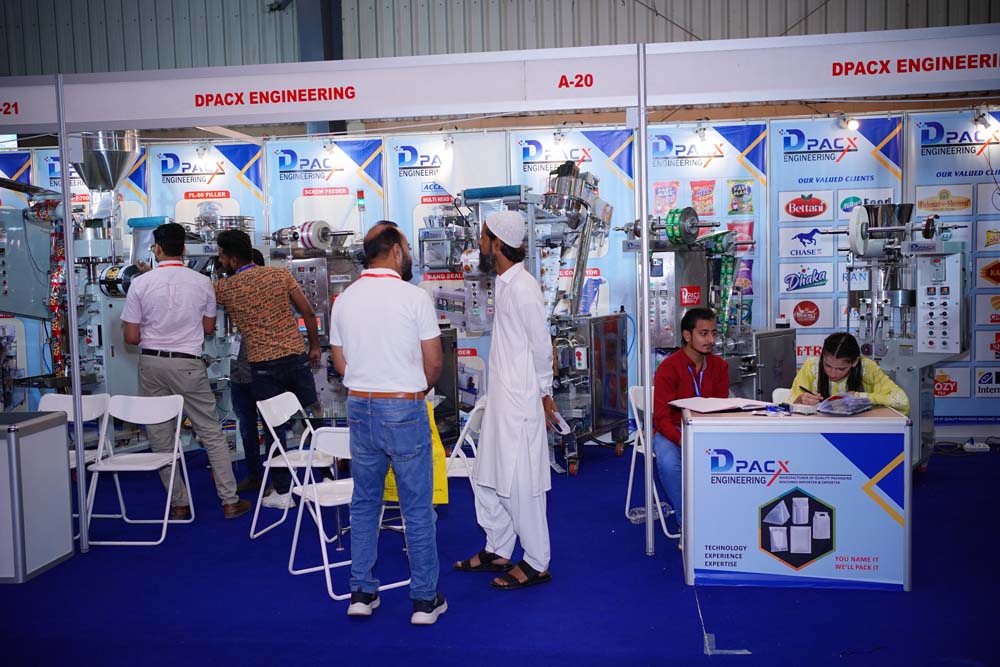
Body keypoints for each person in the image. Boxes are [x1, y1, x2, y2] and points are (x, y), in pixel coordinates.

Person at [328, 221, 446, 625]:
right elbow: (434, 363)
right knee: (417, 508)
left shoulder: (344, 299)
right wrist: (410, 390)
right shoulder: (414, 297)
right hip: (403, 408)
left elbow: (340, 362)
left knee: (364, 503)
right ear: (395, 250)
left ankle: (361, 593)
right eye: (407, 247)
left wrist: (369, 385)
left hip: (360, 406)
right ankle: (424, 601)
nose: (409, 253)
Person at [454, 210, 558, 590]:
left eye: (484, 237)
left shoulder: (524, 287)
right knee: (488, 477)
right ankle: (498, 547)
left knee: (519, 481)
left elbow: (541, 347)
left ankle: (536, 561)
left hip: (521, 401)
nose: (479, 243)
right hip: (501, 399)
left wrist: (545, 393)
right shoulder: (504, 282)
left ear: (498, 244)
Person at [121, 222, 251, 520]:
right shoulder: (202, 283)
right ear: (183, 249)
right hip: (188, 364)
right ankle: (229, 501)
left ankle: (178, 504)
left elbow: (130, 337)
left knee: (161, 436)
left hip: (152, 364)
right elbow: (209, 328)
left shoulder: (140, 284)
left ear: (156, 249)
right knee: (211, 432)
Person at [214, 229, 322, 510]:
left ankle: (284, 492)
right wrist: (314, 346)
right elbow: (308, 312)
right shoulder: (279, 274)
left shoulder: (225, 288)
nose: (220, 260)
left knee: (275, 430)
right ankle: (328, 477)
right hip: (296, 358)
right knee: (314, 418)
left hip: (262, 367)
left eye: (222, 256)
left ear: (232, 259)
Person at [651, 307, 729, 536]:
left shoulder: (719, 366)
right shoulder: (669, 367)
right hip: (673, 430)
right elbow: (661, 418)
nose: (711, 340)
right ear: (687, 335)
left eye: (713, 333)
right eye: (704, 334)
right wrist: (682, 440)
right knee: (669, 462)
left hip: (707, 429)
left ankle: (721, 516)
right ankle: (687, 525)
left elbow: (721, 407)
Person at [789, 332, 909, 414]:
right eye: (827, 365)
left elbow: (902, 401)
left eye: (841, 369)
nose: (833, 373)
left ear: (855, 362)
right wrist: (799, 400)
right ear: (822, 357)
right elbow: (786, 405)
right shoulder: (812, 366)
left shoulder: (867, 368)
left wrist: (859, 397)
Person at [228, 249, 266, 493]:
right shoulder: (233, 290)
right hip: (241, 371)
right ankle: (256, 476)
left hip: (260, 370)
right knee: (248, 427)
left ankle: (276, 478)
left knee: (270, 426)